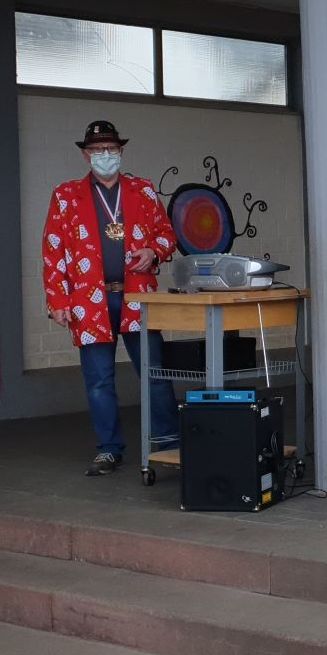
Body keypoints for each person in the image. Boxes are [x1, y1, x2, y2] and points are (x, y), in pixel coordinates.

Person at [42, 120, 179, 477]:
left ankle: (168, 442)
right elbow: (53, 248)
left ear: (121, 152)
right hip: (89, 302)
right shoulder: (66, 195)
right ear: (86, 155)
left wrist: (153, 251)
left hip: (138, 297)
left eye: (112, 150)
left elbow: (168, 234)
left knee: (155, 372)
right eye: (98, 150)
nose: (106, 156)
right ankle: (109, 448)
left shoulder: (143, 191)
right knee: (99, 379)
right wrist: (58, 300)